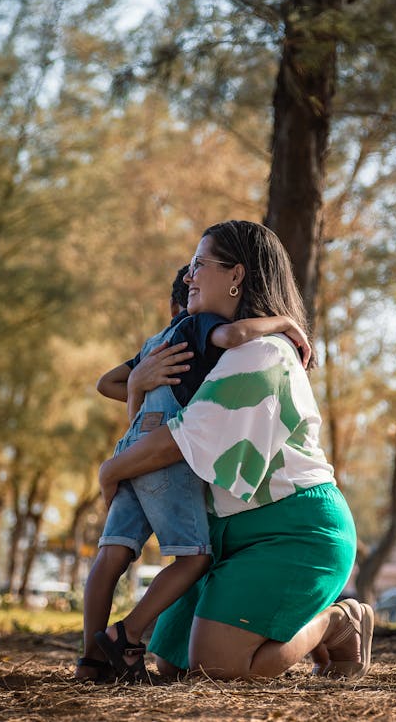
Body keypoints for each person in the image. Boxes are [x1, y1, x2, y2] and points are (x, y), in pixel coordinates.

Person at [97, 220, 374, 682]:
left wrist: (110, 471)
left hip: (293, 530)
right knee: (173, 663)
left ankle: (337, 621)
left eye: (199, 264)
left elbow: (182, 442)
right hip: (224, 537)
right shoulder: (204, 350)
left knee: (215, 668)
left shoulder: (263, 353)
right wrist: (138, 384)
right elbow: (148, 421)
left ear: (236, 276)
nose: (188, 276)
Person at [76, 264, 311, 681]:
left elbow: (106, 382)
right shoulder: (199, 325)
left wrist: (138, 388)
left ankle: (90, 660)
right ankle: (123, 639)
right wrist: (285, 321)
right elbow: (235, 336)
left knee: (111, 555)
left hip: (132, 447)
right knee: (194, 559)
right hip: (165, 457)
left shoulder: (156, 343)